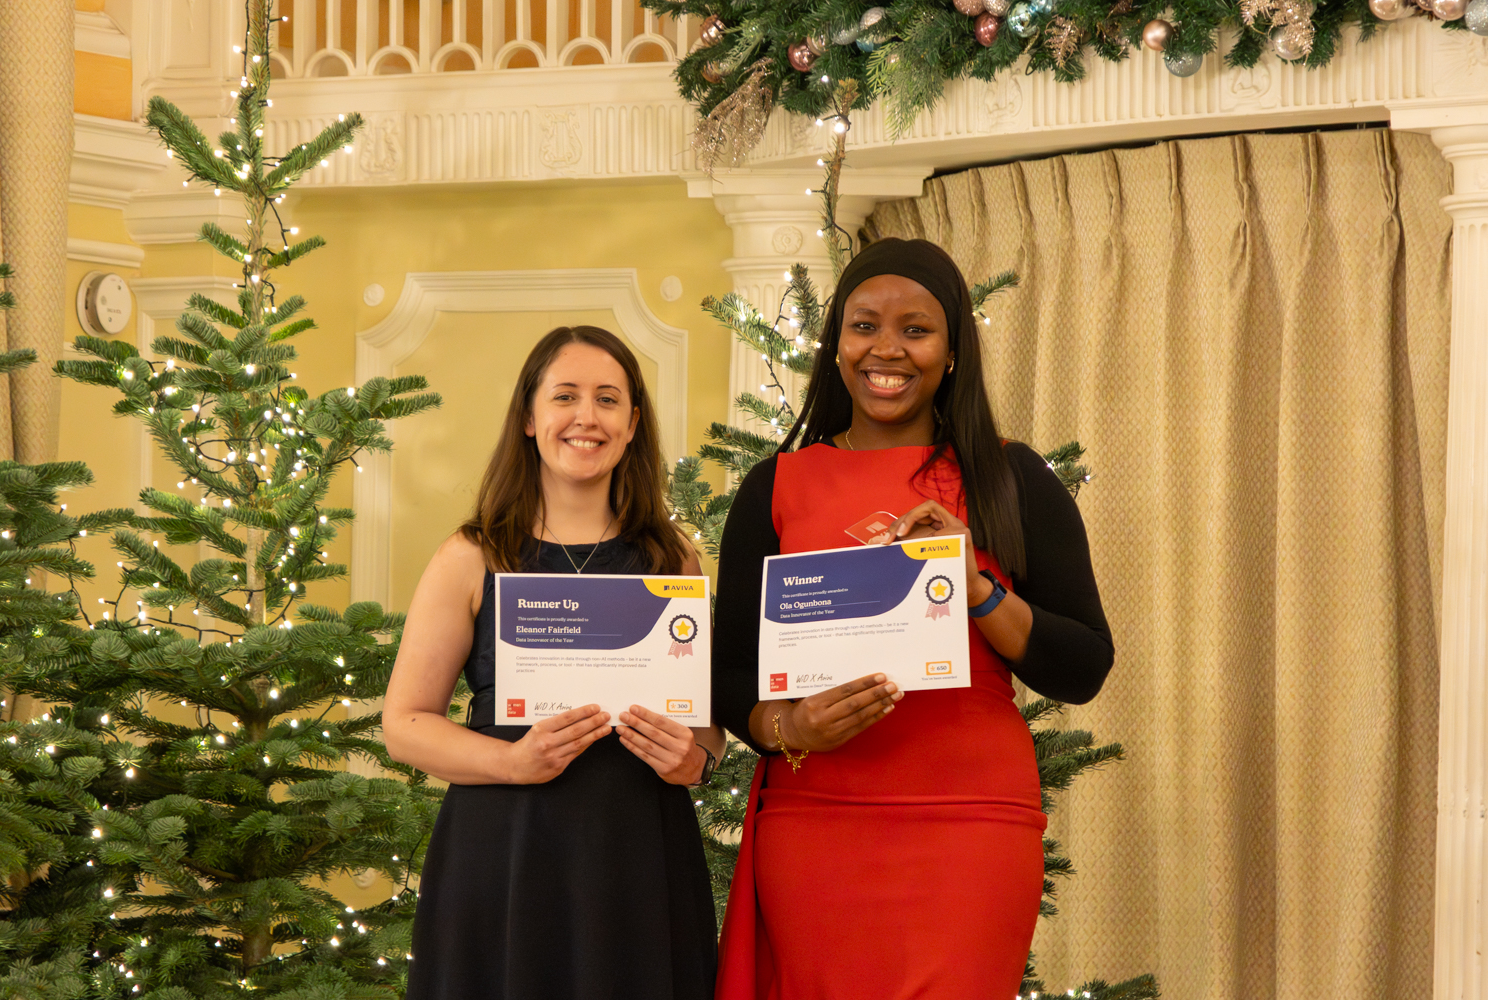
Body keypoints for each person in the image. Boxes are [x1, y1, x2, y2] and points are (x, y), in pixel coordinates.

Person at [710, 239, 1115, 1000]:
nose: (886, 349)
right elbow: (726, 671)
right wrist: (788, 728)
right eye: (864, 326)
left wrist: (975, 587)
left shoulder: (1010, 477)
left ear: (952, 351)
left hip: (971, 826)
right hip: (815, 822)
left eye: (916, 330)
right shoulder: (775, 486)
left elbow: (1084, 666)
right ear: (836, 345)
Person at [383, 325, 725, 1000]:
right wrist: (513, 762)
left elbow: (705, 726)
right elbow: (404, 724)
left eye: (607, 399)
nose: (586, 417)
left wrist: (696, 761)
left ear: (632, 424)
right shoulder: (472, 556)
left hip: (639, 854)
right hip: (505, 853)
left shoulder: (672, 558)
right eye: (565, 396)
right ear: (529, 418)